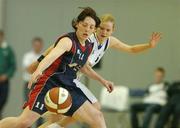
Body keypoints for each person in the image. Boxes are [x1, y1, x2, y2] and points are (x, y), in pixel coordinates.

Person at [29, 14, 162, 128]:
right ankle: (57, 125)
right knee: (91, 108)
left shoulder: (109, 41)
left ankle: (56, 126)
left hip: (72, 79)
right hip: (63, 77)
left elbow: (131, 49)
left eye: (108, 30)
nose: (104, 32)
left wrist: (149, 45)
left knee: (57, 117)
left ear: (113, 30)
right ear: (96, 28)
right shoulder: (87, 38)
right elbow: (57, 45)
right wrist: (39, 62)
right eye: (101, 28)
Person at [0, 7, 114, 128]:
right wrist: (38, 70)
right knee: (23, 123)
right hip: (49, 84)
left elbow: (84, 68)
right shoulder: (68, 41)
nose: (87, 29)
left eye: (91, 27)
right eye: (84, 25)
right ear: (77, 24)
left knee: (97, 117)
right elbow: (51, 56)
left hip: (68, 86)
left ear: (94, 30)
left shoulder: (89, 46)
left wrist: (103, 81)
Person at [22, 37, 44, 127]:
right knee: (28, 105)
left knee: (40, 106)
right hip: (29, 84)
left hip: (40, 84)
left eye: (39, 45)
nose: (37, 47)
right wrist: (39, 68)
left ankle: (39, 126)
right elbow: (28, 69)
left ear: (41, 46)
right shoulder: (28, 56)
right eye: (36, 45)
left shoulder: (44, 56)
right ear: (33, 45)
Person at [0, 30, 16, 119]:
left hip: (4, 81)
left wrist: (6, 75)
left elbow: (12, 65)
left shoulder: (8, 50)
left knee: (3, 100)